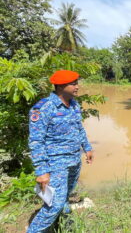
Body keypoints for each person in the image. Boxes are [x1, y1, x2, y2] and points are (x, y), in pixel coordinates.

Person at [27, 70, 93, 233]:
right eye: (74, 84)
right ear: (61, 86)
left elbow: (79, 128)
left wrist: (87, 147)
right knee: (53, 205)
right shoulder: (43, 108)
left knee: (65, 196)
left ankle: (63, 222)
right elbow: (36, 141)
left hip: (74, 160)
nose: (78, 87)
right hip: (55, 164)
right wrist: (42, 170)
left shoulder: (74, 104)